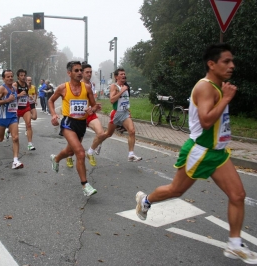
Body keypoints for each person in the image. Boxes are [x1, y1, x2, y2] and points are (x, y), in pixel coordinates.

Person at [135, 43, 257, 264]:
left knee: (237, 195)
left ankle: (234, 245)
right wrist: (228, 99)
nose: (232, 65)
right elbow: (206, 121)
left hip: (218, 153)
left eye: (232, 61)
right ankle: (145, 200)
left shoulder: (218, 87)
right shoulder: (205, 87)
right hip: (200, 151)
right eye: (226, 61)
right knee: (175, 190)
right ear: (212, 64)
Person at [48, 61, 101, 197]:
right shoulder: (62, 88)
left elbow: (94, 106)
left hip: (81, 124)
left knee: (70, 152)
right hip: (68, 123)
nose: (79, 73)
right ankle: (85, 185)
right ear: (69, 73)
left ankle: (56, 159)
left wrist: (92, 109)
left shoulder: (87, 88)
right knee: (80, 153)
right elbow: (50, 100)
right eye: (76, 70)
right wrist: (54, 114)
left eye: (80, 71)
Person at [66, 62, 104, 168]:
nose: (89, 74)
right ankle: (69, 156)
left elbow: (93, 102)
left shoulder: (91, 85)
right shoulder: (77, 84)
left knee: (101, 133)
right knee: (76, 142)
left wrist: (95, 107)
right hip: (79, 116)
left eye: (91, 72)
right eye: (87, 72)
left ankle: (90, 152)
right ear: (81, 73)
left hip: (90, 114)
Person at [102, 68, 142, 162]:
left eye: (124, 74)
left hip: (124, 113)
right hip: (116, 114)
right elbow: (112, 100)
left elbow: (124, 100)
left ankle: (131, 154)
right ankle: (98, 144)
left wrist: (128, 109)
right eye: (121, 74)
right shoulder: (114, 86)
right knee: (108, 134)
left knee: (132, 131)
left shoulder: (126, 86)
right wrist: (121, 91)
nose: (124, 75)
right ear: (116, 77)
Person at [0, 69, 24, 169]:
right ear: (3, 78)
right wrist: (7, 100)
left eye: (11, 76)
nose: (10, 78)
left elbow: (13, 99)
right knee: (0, 138)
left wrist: (19, 96)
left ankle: (15, 161)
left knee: (15, 137)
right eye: (7, 77)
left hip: (13, 116)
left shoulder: (14, 88)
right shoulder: (1, 89)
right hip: (2, 117)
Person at [14, 69, 36, 151]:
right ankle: (8, 130)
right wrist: (19, 95)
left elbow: (26, 94)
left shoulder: (26, 85)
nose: (23, 77)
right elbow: (10, 96)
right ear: (18, 77)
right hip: (16, 108)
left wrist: (30, 97)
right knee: (15, 127)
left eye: (24, 75)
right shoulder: (15, 84)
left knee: (29, 124)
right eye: (21, 75)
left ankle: (30, 144)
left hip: (25, 107)